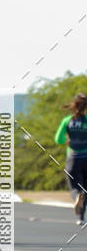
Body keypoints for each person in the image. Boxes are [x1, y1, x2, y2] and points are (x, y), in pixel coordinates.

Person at [55, 92, 87, 225]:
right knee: (85, 189)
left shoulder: (67, 120)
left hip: (73, 158)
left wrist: (67, 140)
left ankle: (77, 197)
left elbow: (58, 139)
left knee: (75, 188)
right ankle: (81, 218)